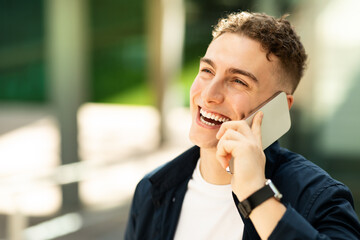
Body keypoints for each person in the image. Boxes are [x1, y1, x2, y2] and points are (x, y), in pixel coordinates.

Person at [125, 11, 360, 240]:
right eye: (207, 70)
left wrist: (256, 194)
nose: (208, 95)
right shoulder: (152, 190)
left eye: (238, 81)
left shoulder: (319, 197)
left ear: (278, 107)